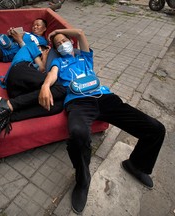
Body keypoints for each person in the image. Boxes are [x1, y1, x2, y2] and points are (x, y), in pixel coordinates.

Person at [38, 28, 166, 214]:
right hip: (79, 102)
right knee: (78, 134)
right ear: (56, 50)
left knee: (156, 129)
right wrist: (45, 85)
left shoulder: (84, 57)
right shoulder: (58, 62)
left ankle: (136, 165)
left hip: (104, 98)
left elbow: (80, 33)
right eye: (58, 44)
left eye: (64, 40)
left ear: (71, 41)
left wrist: (57, 31)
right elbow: (52, 75)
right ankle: (83, 181)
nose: (62, 44)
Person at [0, 42, 66, 144]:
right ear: (44, 48)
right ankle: (7, 105)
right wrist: (45, 54)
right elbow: (42, 67)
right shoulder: (32, 46)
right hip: (18, 71)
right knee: (59, 88)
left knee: (56, 105)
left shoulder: (34, 70)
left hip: (17, 90)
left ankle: (7, 116)